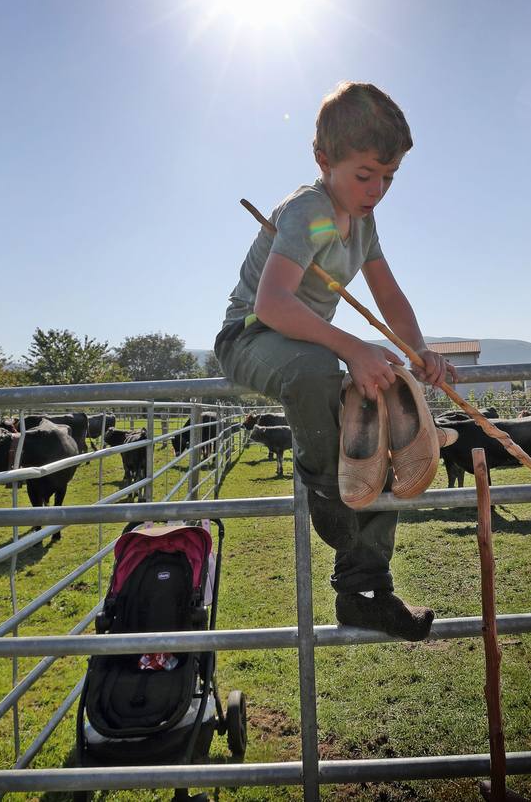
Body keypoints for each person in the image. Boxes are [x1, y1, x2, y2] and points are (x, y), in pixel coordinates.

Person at [213, 81, 455, 641]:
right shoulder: (311, 212)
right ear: (324, 160)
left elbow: (389, 295)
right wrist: (352, 346)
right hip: (253, 336)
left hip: (308, 341)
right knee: (319, 372)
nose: (377, 190)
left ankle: (365, 591)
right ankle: (328, 488)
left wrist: (418, 353)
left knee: (383, 400)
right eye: (365, 175)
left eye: (389, 177)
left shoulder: (362, 221)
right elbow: (273, 304)